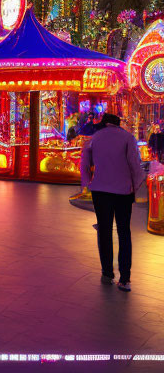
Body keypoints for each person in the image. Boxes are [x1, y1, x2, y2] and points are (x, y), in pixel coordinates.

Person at [80, 113, 145, 292]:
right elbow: (135, 165)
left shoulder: (94, 139)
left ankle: (107, 273)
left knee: (104, 230)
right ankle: (124, 279)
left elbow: (84, 164)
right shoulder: (128, 138)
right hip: (123, 192)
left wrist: (86, 184)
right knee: (124, 232)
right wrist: (136, 185)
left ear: (104, 124)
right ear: (118, 124)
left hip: (100, 191)